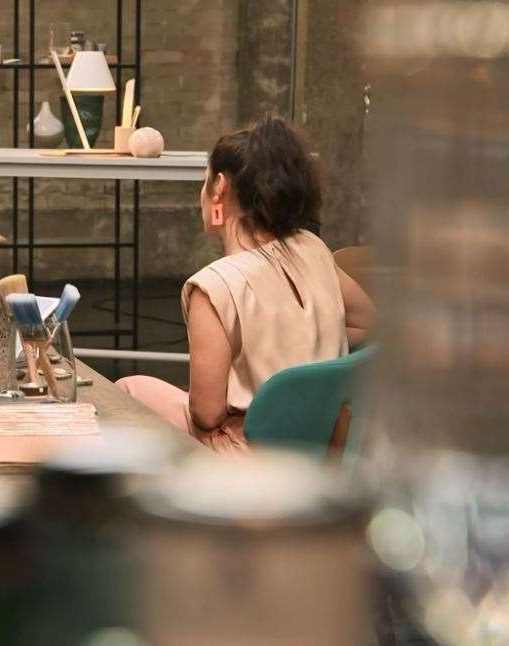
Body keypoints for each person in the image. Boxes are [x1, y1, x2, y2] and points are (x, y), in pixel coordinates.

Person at [117, 116, 375, 453]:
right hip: (316, 450)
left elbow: (207, 415)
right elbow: (368, 322)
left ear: (220, 187)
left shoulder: (212, 287)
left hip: (246, 457)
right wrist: (300, 353)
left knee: (126, 391)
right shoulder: (313, 249)